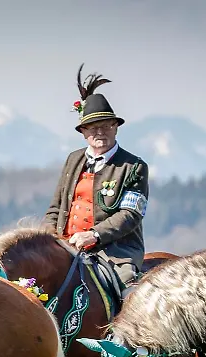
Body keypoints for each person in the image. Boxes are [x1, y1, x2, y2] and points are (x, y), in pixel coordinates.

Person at [43, 64, 150, 294]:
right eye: (92, 127)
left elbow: (130, 215)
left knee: (128, 292)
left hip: (114, 253)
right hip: (66, 246)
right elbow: (55, 208)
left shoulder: (134, 167)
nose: (99, 132)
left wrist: (94, 235)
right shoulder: (73, 160)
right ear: (83, 132)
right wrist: (46, 238)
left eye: (105, 126)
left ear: (115, 127)